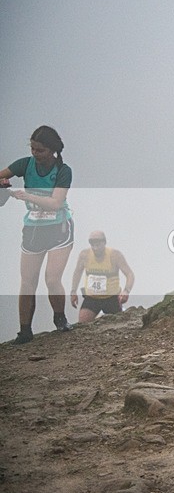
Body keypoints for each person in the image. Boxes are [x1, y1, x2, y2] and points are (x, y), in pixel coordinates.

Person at [1, 126, 75, 344]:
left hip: (59, 227)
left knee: (52, 279)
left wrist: (25, 195)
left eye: (40, 150)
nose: (35, 153)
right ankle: (24, 331)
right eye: (33, 149)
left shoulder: (63, 170)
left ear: (51, 150)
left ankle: (60, 319)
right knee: (27, 282)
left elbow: (56, 202)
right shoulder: (24, 164)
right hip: (33, 228)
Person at [70, 231, 135, 322]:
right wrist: (73, 291)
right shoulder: (85, 255)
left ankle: (112, 313)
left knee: (118, 324)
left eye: (98, 244)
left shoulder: (115, 255)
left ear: (104, 242)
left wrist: (126, 291)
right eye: (93, 245)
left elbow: (129, 274)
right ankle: (99, 318)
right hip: (92, 297)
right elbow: (77, 272)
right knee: (82, 323)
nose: (95, 248)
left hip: (111, 298)